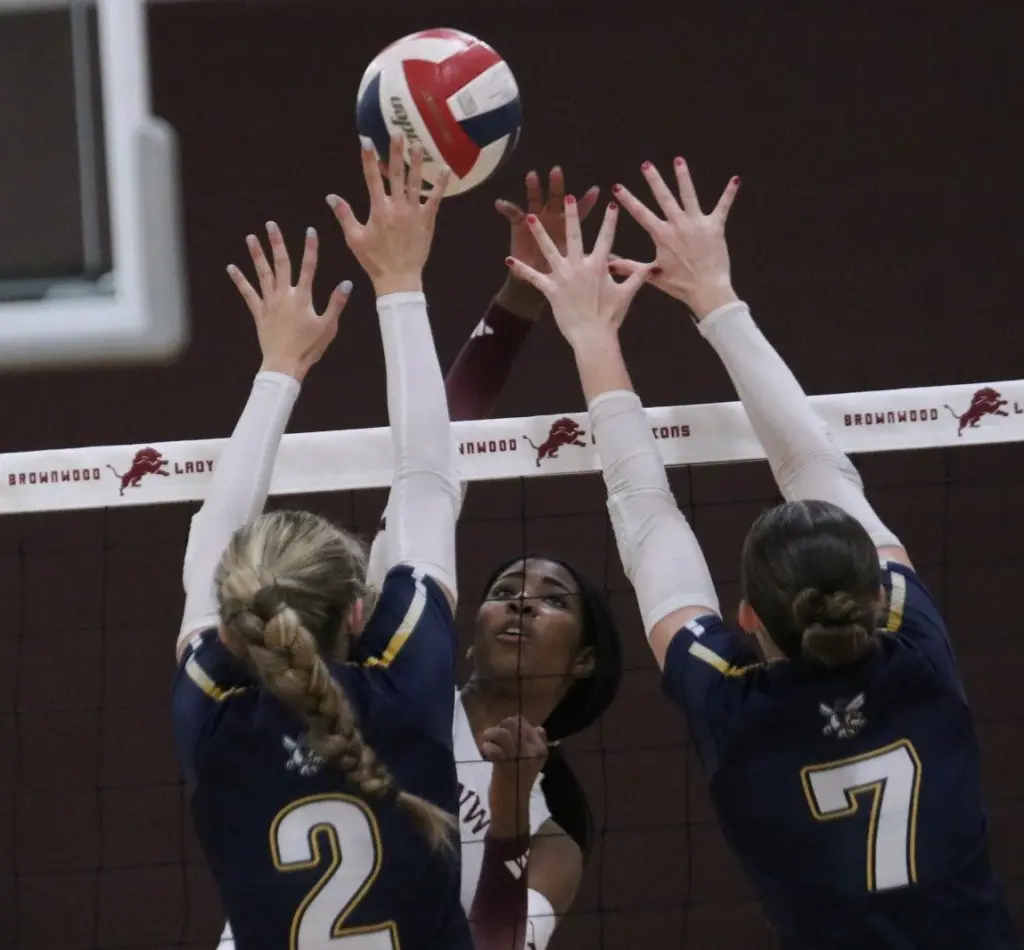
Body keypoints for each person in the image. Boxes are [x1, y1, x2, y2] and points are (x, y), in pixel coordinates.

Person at [507, 164, 1020, 949]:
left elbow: (648, 515)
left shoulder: (738, 706)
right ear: (877, 590)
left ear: (747, 617)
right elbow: (812, 467)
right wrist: (715, 295)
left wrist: (591, 334)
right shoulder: (916, 654)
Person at [172, 137, 475, 949]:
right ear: (361, 613)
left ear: (233, 629)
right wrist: (400, 282)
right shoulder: (403, 691)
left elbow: (424, 484)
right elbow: (427, 478)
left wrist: (280, 368)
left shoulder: (214, 722)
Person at [366, 168, 620, 950]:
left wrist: (508, 806)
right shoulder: (394, 675)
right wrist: (517, 299)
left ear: (584, 660)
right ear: (468, 629)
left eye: (552, 600)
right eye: (507, 588)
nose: (521, 601)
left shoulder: (552, 833)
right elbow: (434, 452)